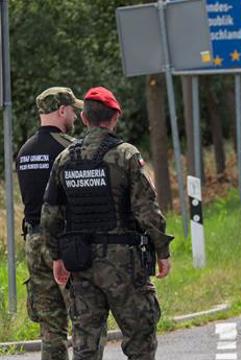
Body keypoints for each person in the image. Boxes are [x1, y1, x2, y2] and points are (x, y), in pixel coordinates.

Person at [41, 86, 174, 360]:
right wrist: (162, 251)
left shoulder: (64, 159)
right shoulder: (126, 155)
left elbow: (50, 215)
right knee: (140, 341)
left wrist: (56, 257)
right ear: (114, 118)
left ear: (85, 119)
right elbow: (146, 210)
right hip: (124, 265)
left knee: (85, 347)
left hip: (81, 264)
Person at [16, 87, 85, 360]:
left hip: (33, 244)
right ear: (61, 110)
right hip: (63, 244)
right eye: (73, 110)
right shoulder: (68, 149)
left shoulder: (25, 151)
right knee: (83, 319)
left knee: (51, 329)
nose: (76, 116)